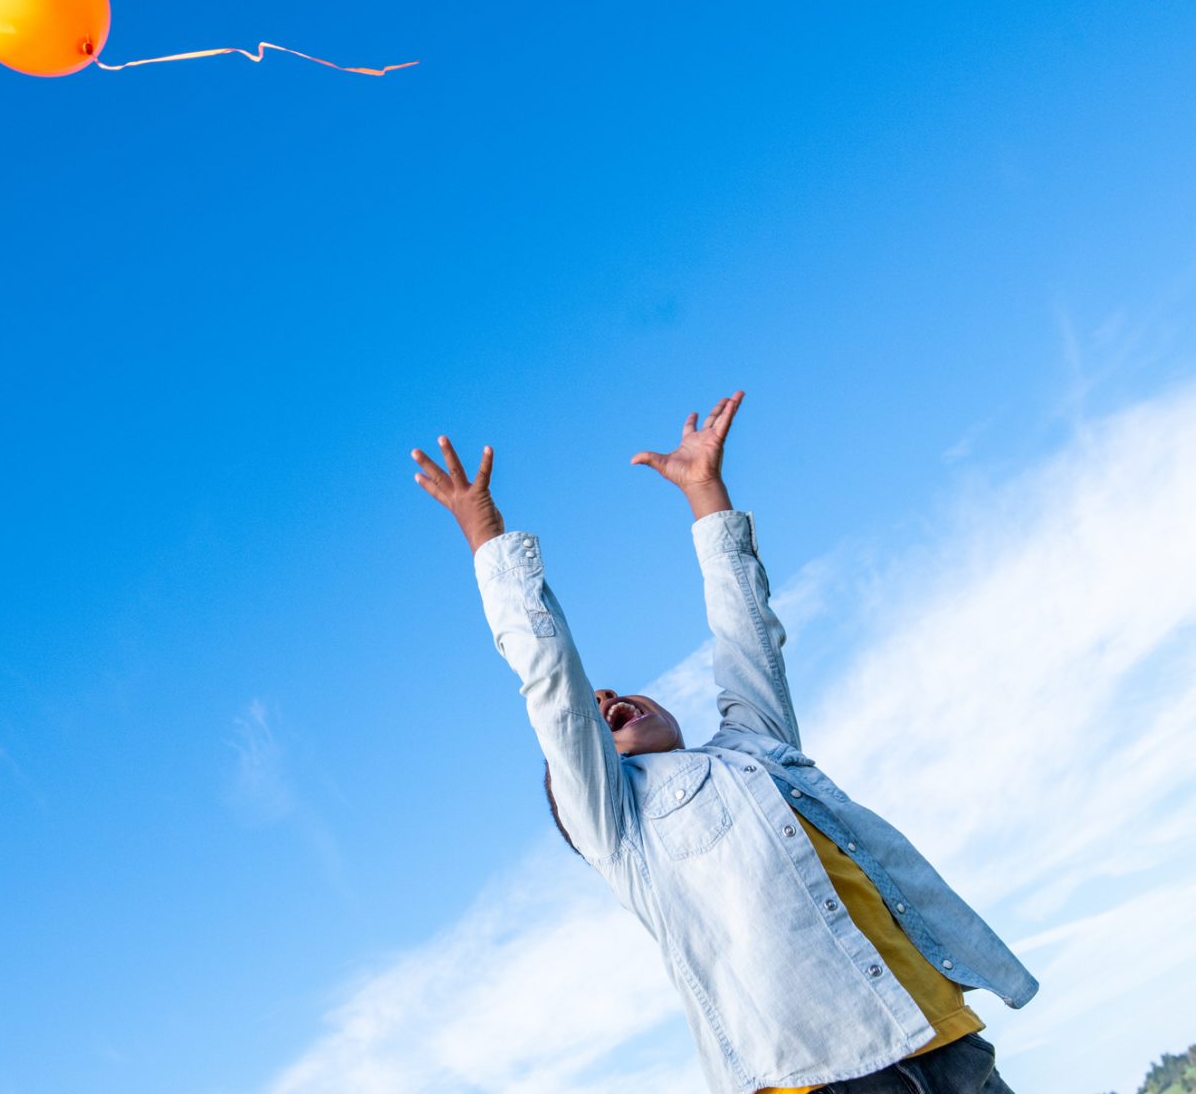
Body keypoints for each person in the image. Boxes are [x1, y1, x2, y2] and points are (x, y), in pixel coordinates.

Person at [409, 391, 1034, 1094]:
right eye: (596, 715)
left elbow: (748, 633)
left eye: (612, 692)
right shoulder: (622, 828)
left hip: (943, 1037)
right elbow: (554, 689)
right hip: (819, 1077)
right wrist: (486, 535)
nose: (605, 699)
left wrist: (707, 496)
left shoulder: (753, 747)